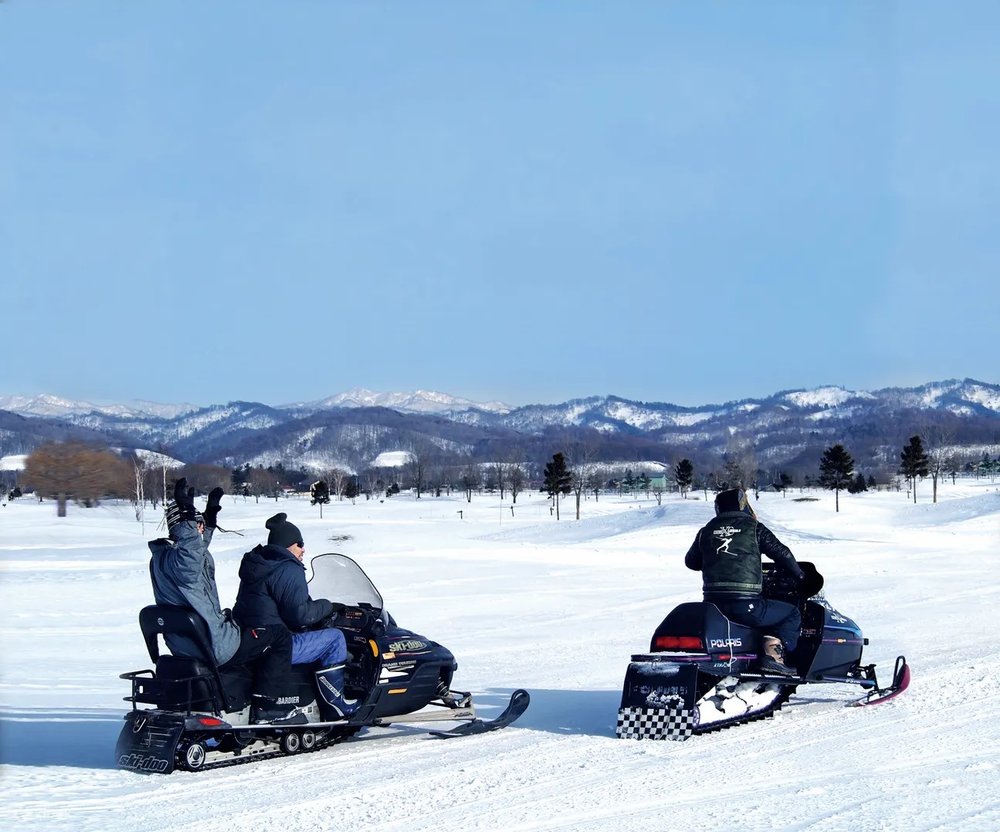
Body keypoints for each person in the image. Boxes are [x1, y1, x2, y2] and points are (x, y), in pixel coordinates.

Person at [148, 479, 305, 725]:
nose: (200, 530)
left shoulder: (163, 559)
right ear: (187, 528)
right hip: (217, 645)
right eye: (197, 526)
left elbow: (194, 552)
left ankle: (245, 695)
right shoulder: (183, 563)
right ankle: (269, 708)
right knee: (278, 636)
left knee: (251, 631)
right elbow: (191, 552)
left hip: (188, 645)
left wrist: (210, 519)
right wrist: (187, 512)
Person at [233, 512, 359, 719]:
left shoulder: (259, 565)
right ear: (288, 545)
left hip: (253, 639)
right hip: (278, 645)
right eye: (300, 544)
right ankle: (336, 705)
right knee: (335, 639)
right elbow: (301, 615)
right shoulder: (287, 568)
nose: (303, 549)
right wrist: (328, 606)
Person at [684, 487, 805, 676]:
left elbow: (691, 562)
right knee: (791, 613)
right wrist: (799, 575)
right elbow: (782, 553)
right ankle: (774, 656)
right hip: (746, 606)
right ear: (743, 505)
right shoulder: (754, 528)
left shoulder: (705, 531)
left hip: (713, 606)